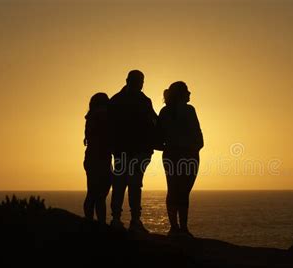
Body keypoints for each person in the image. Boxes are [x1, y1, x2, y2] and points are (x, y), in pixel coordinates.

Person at [108, 70, 157, 233]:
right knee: (124, 184)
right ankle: (120, 219)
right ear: (129, 81)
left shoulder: (120, 100)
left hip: (135, 151)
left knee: (130, 185)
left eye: (141, 81)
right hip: (126, 151)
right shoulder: (121, 101)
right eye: (139, 81)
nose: (141, 84)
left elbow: (153, 122)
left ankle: (131, 220)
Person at [157, 82, 203, 237]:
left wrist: (169, 146)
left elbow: (158, 137)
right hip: (189, 156)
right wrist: (194, 147)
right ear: (182, 94)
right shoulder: (189, 110)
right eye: (187, 92)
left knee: (173, 189)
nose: (190, 94)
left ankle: (175, 227)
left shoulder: (164, 112)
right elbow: (198, 135)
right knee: (183, 192)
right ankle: (182, 228)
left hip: (172, 155)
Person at [83, 92, 112, 224]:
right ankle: (100, 222)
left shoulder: (91, 117)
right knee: (100, 195)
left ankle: (91, 220)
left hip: (92, 158)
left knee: (92, 193)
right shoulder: (102, 115)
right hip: (100, 158)